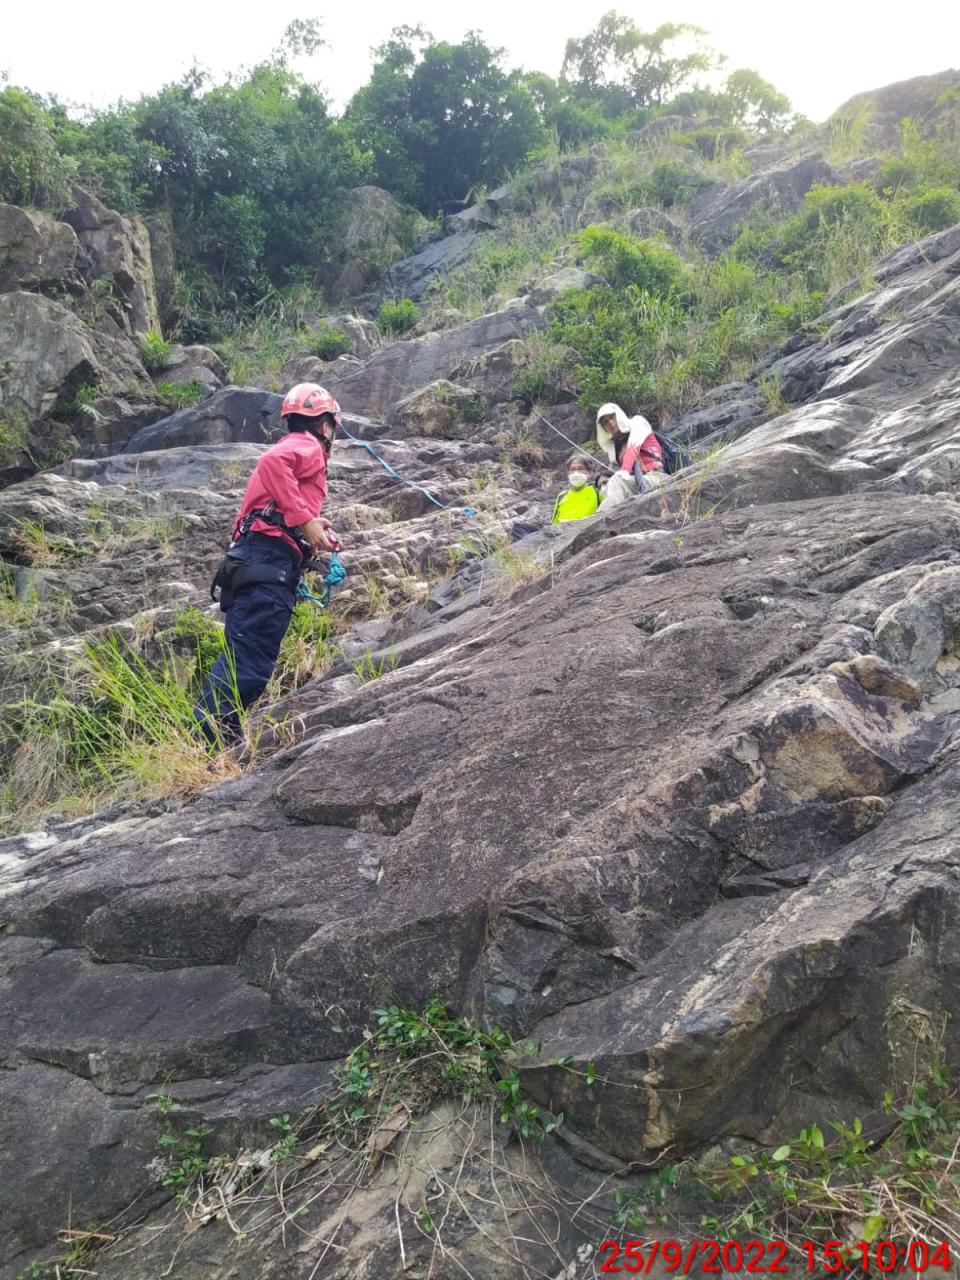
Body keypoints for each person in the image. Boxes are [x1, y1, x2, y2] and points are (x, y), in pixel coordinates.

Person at [194, 383, 341, 746]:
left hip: (257, 561)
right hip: (266, 566)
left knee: (242, 659)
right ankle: (203, 746)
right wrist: (305, 519)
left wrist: (308, 533)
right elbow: (271, 462)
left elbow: (270, 512)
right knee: (248, 666)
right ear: (325, 426)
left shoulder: (293, 455)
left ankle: (218, 746)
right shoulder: (306, 445)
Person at [595, 402, 664, 508]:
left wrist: (623, 472)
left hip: (656, 477)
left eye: (612, 417)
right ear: (603, 428)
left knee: (617, 481)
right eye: (605, 422)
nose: (610, 422)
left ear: (618, 414)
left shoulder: (637, 422)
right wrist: (604, 479)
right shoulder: (614, 446)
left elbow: (633, 449)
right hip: (634, 483)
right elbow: (615, 470)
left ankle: (600, 520)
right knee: (607, 488)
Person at [551, 453, 602, 523]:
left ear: (589, 472)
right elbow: (554, 523)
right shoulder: (561, 496)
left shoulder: (596, 490)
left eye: (580, 469)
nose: (576, 473)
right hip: (564, 531)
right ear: (568, 473)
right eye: (572, 469)